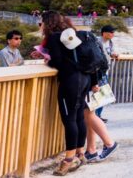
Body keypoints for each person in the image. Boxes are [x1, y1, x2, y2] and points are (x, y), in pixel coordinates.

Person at [40, 10, 117, 175]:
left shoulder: (55, 37)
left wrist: (47, 59)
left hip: (70, 81)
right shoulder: (74, 34)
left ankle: (68, 159)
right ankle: (80, 154)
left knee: (69, 119)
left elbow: (58, 62)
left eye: (42, 23)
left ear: (47, 23)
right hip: (85, 80)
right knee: (79, 117)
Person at [95, 25, 119, 122]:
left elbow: (110, 52)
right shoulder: (97, 42)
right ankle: (95, 117)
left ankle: (98, 115)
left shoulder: (110, 42)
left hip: (105, 71)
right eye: (111, 32)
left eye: (113, 32)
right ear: (104, 33)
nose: (113, 34)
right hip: (98, 71)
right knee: (99, 93)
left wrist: (114, 54)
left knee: (103, 94)